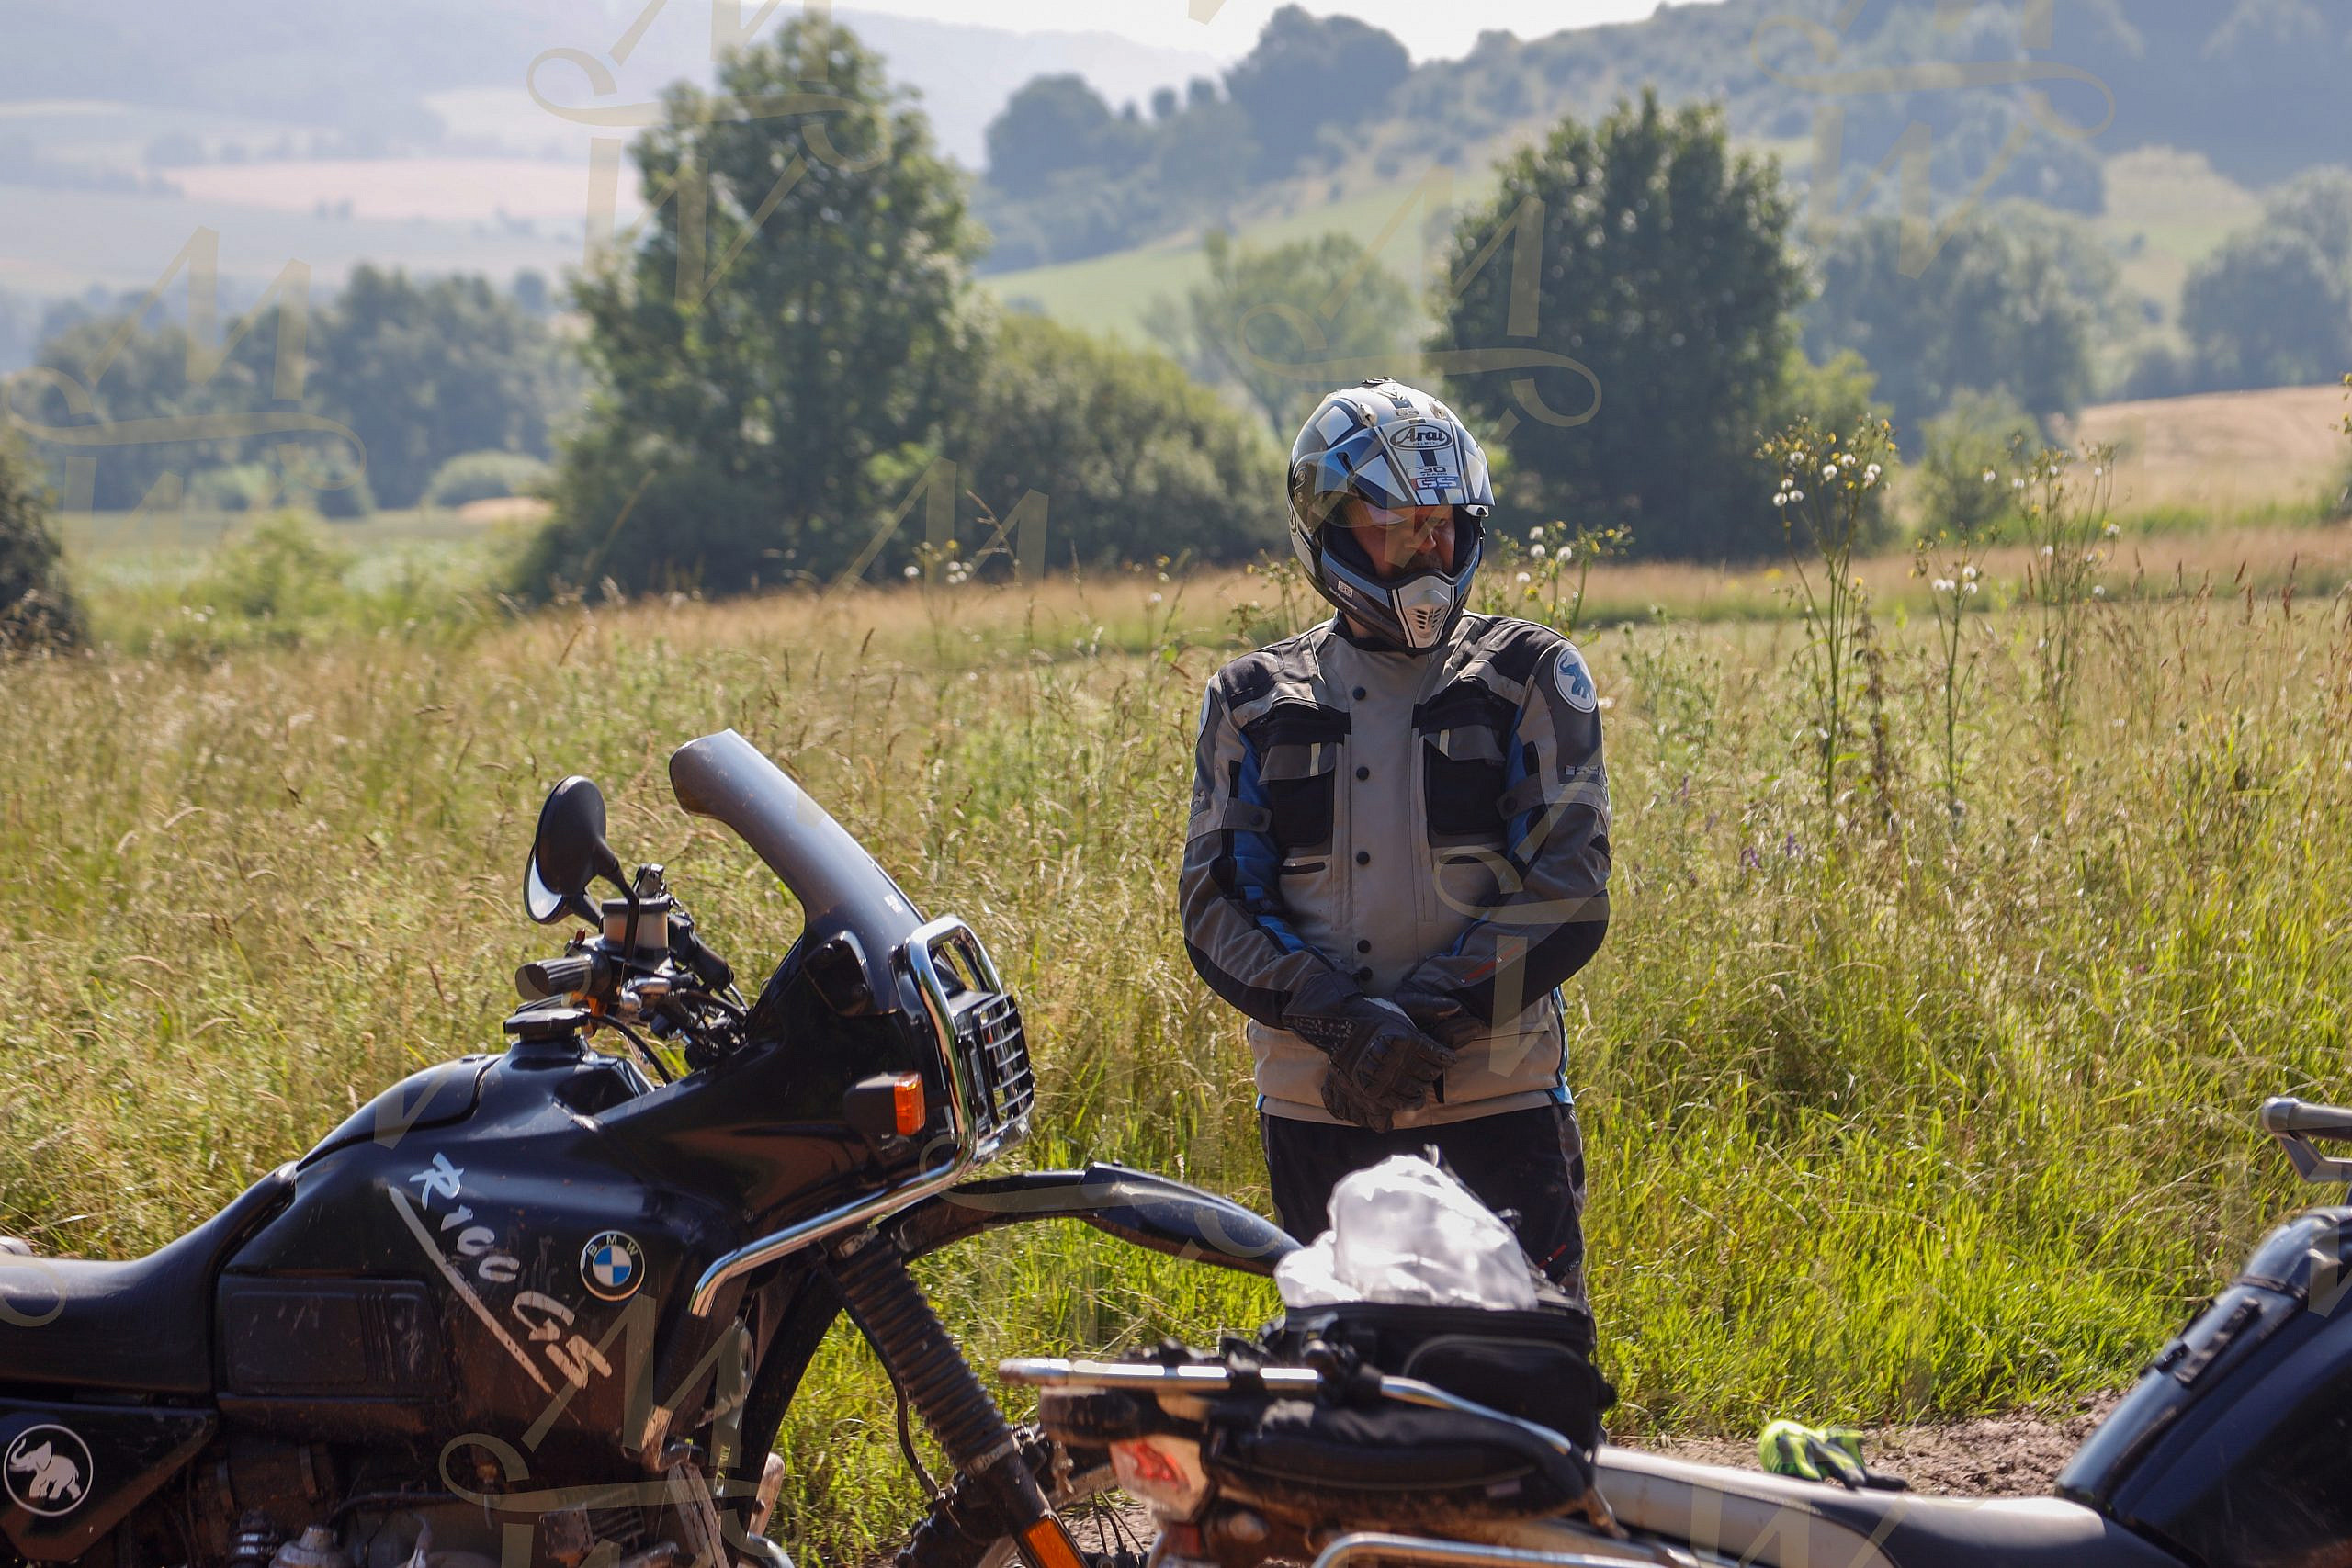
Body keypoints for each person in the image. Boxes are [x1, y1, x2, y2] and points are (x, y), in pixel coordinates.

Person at [1180, 378, 1611, 1294]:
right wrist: (1340, 1024)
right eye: (1397, 527)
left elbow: (1568, 887)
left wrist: (1420, 1023)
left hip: (1501, 1100)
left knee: (1529, 1362)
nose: (1428, 551)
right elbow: (1218, 904)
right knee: (1346, 1371)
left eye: (1442, 526)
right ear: (1328, 530)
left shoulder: (1531, 674)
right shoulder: (1251, 700)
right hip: (1319, 1110)